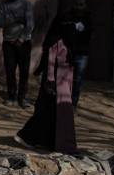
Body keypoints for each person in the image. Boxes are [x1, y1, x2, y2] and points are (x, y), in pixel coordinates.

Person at [15, 18, 78, 154]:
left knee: (56, 116)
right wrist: (50, 82)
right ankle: (26, 136)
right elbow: (50, 63)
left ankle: (51, 143)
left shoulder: (69, 43)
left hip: (63, 86)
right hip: (54, 86)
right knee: (45, 113)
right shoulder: (56, 43)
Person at [0, 0, 34, 107]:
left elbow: (29, 25)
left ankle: (22, 98)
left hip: (23, 43)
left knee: (24, 71)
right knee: (10, 71)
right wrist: (16, 19)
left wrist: (21, 39)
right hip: (9, 43)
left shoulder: (26, 4)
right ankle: (12, 97)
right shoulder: (3, 5)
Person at [64, 0, 92, 107]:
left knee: (78, 79)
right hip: (68, 51)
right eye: (77, 4)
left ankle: (73, 103)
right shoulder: (68, 16)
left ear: (85, 6)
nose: (79, 6)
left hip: (82, 53)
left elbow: (90, 34)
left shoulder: (88, 18)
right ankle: (64, 101)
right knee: (65, 78)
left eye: (81, 4)